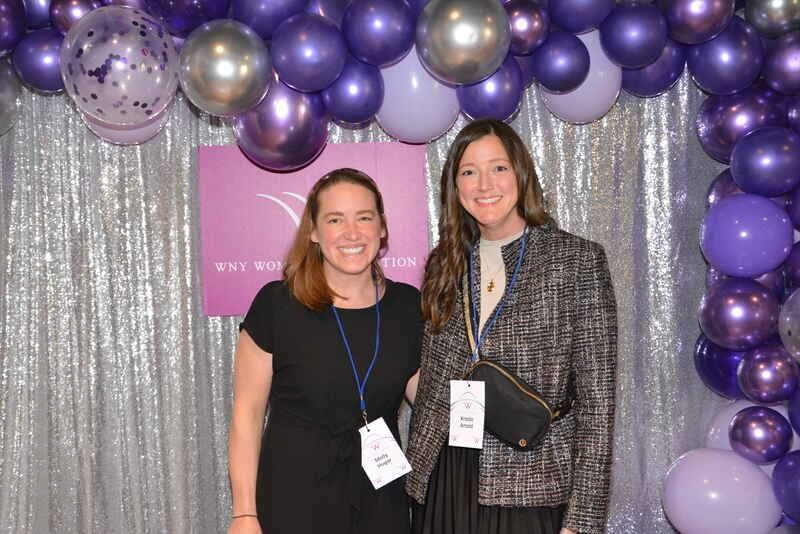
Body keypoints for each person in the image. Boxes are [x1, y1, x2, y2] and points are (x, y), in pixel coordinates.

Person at [406, 119, 617, 534]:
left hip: (531, 480)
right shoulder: (444, 263)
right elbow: (431, 375)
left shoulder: (575, 260)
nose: (484, 184)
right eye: (469, 171)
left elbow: (598, 405)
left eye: (498, 168)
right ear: (454, 185)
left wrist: (582, 519)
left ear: (521, 173)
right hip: (445, 474)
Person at [228, 168, 422, 534]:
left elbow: (430, 403)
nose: (352, 233)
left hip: (381, 502)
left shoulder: (409, 307)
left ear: (382, 228)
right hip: (294, 499)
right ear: (314, 232)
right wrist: (244, 513)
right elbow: (247, 416)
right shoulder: (277, 305)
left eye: (364, 217)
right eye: (336, 219)